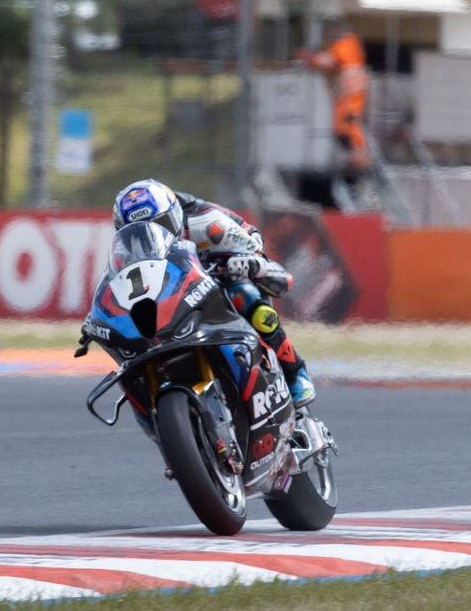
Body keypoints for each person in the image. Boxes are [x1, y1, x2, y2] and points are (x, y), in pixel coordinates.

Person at [112, 179, 315, 408]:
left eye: (160, 225)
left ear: (174, 215)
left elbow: (259, 257)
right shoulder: (126, 252)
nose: (150, 237)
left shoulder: (208, 224)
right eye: (138, 234)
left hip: (220, 274)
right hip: (173, 294)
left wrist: (244, 263)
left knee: (250, 300)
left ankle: (294, 371)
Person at [299, 21, 371, 179]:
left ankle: (359, 156)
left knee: (349, 123)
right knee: (343, 124)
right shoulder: (348, 44)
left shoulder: (345, 44)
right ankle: (356, 156)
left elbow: (328, 61)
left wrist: (309, 58)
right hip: (349, 90)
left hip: (350, 91)